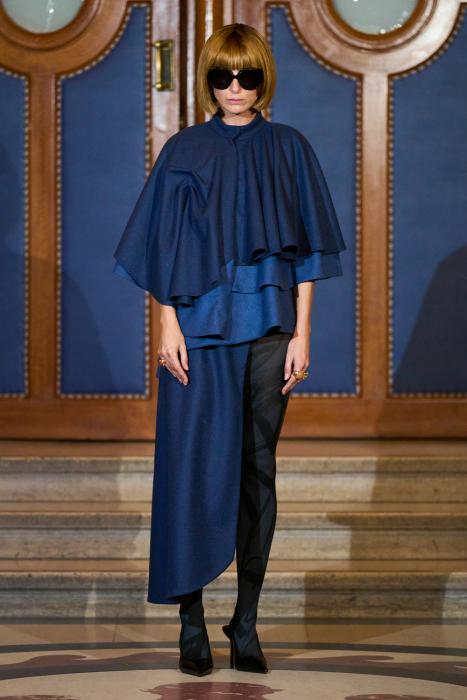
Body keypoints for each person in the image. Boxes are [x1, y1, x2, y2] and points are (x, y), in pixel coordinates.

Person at [113, 23, 346, 677]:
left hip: (270, 329)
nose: (235, 87)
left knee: (256, 469)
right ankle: (190, 623)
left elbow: (305, 254)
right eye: (223, 75)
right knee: (189, 467)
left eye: (247, 75)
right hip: (198, 330)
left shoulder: (289, 147)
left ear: (263, 78)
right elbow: (160, 246)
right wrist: (166, 323)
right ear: (208, 80)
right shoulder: (184, 149)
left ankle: (245, 622)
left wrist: (303, 333)